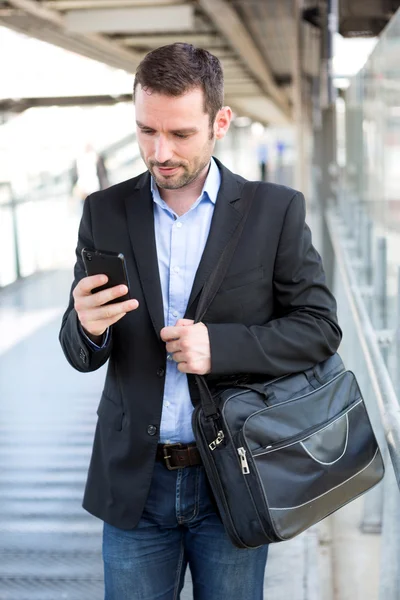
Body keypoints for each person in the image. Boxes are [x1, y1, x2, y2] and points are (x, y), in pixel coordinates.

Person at [59, 43, 342, 600]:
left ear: (220, 122)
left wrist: (222, 347)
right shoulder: (103, 212)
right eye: (146, 131)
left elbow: (319, 327)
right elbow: (79, 350)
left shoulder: (275, 211)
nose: (159, 152)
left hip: (234, 477)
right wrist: (87, 325)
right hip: (133, 488)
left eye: (180, 135)